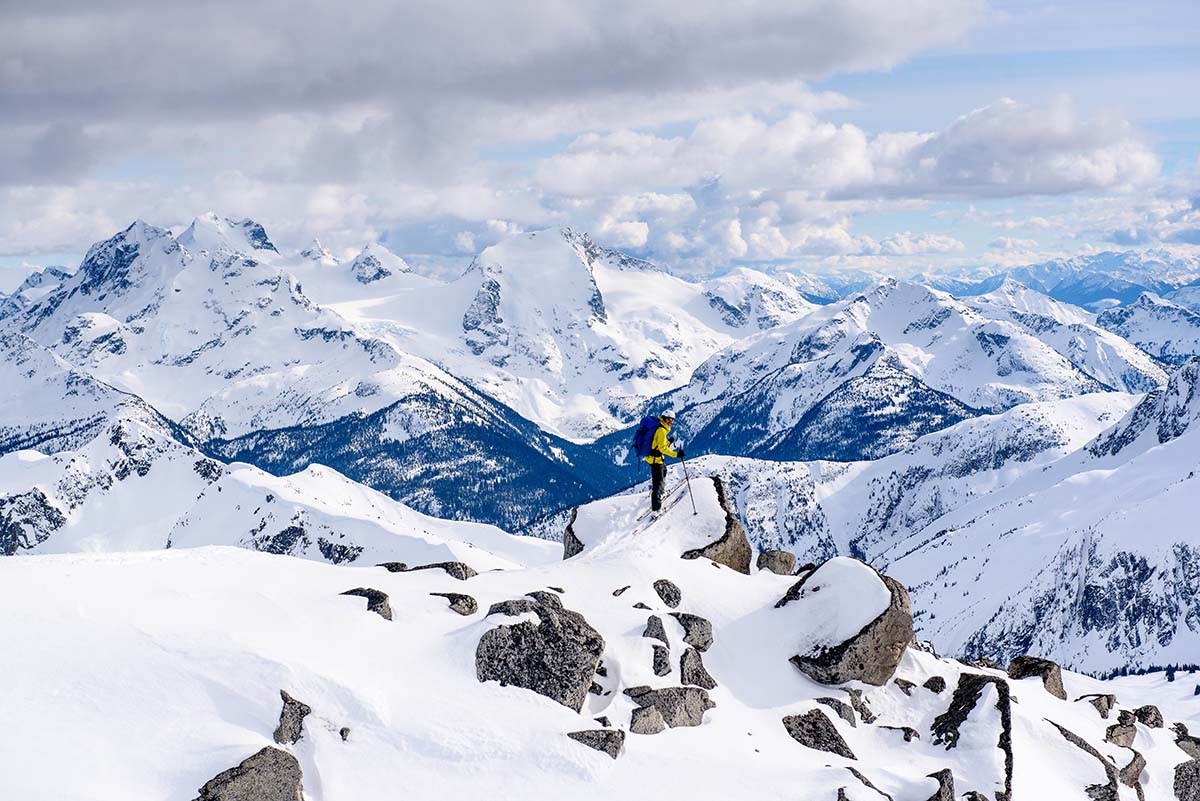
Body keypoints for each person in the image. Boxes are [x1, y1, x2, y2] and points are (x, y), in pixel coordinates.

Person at [644, 409, 685, 513]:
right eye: (669, 420)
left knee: (664, 471)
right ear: (663, 419)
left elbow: (659, 444)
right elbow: (662, 449)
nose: (670, 422)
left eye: (672, 420)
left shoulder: (661, 428)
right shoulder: (662, 430)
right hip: (655, 460)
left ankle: (661, 493)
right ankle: (656, 509)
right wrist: (676, 454)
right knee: (657, 484)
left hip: (656, 459)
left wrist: (669, 442)